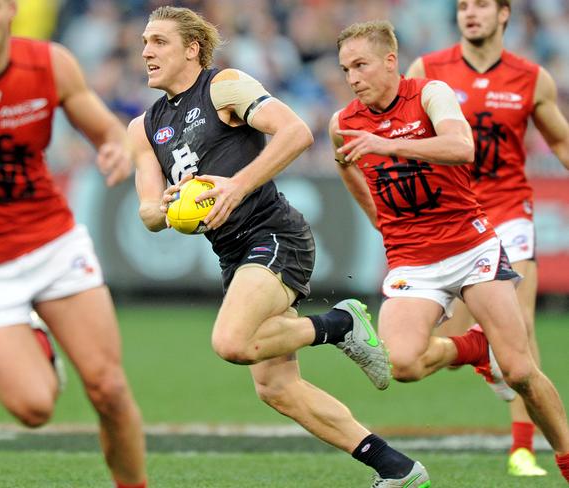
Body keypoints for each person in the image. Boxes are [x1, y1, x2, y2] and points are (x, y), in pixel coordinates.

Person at [129, 6, 430, 487]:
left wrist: (235, 186)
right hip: (232, 253)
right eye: (145, 41)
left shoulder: (223, 85)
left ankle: (340, 323)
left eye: (159, 42)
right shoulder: (143, 127)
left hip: (273, 234)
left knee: (231, 342)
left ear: (191, 49)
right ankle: (396, 469)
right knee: (276, 388)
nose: (146, 51)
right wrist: (167, 207)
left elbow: (296, 131)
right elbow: (146, 212)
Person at [330, 19, 569, 484]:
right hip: (411, 258)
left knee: (520, 371)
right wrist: (379, 221)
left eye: (360, 65)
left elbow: (463, 147)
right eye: (345, 69)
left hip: (470, 245)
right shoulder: (344, 122)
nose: (353, 78)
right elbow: (345, 165)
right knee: (399, 365)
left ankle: (564, 455)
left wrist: (385, 144)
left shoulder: (429, 94)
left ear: (390, 61)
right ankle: (476, 347)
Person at [0, 1, 146, 487]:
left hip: (53, 244)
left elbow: (106, 128)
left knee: (107, 387)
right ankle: (37, 341)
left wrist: (113, 146)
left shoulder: (50, 63)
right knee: (34, 408)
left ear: (11, 10)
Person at [406, 0, 569, 476]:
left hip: (509, 212)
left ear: (504, 15)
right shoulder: (429, 69)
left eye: (481, 5)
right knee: (446, 345)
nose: (469, 13)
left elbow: (559, 142)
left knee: (520, 330)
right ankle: (478, 353)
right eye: (462, 6)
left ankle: (523, 447)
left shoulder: (530, 77)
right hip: (453, 219)